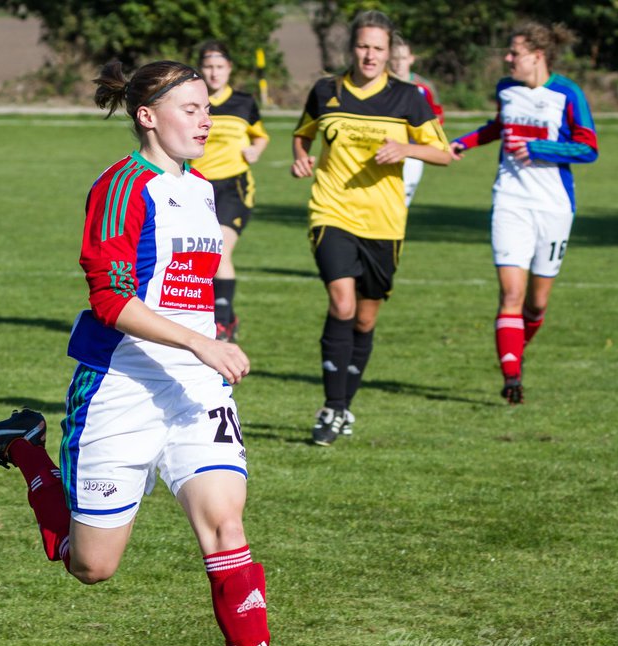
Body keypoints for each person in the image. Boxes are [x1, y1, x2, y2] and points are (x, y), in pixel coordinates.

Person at [0, 60, 327, 646]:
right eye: (189, 108)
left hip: (194, 389)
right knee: (90, 566)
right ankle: (25, 449)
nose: (204, 119)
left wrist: (205, 348)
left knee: (226, 527)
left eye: (206, 107)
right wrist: (199, 341)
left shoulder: (204, 188)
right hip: (120, 390)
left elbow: (187, 287)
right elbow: (110, 300)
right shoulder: (122, 187)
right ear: (148, 116)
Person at [291, 10, 451, 446]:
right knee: (342, 303)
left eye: (378, 48)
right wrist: (301, 155)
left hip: (383, 222)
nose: (370, 55)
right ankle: (330, 407)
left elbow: (444, 153)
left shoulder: (408, 98)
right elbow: (303, 133)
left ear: (389, 52)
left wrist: (406, 147)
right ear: (352, 48)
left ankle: (343, 408)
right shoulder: (326, 90)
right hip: (332, 211)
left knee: (364, 318)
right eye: (363, 46)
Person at [450, 22, 598, 404]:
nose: (507, 58)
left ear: (537, 56)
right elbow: (499, 126)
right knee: (511, 293)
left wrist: (540, 150)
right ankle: (511, 375)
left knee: (537, 304)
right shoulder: (506, 88)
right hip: (510, 200)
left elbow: (588, 148)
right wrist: (463, 142)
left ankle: (517, 345)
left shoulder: (568, 93)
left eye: (514, 53)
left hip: (553, 207)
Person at [189, 41, 270, 343]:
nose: (214, 73)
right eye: (208, 66)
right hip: (196, 187)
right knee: (201, 255)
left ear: (229, 69)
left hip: (234, 186)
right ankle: (203, 316)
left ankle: (222, 321)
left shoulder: (244, 102)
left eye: (220, 67)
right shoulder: (190, 102)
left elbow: (260, 136)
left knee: (221, 249)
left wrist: (255, 150)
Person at [388, 36, 445, 207]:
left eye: (403, 58)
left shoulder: (423, 87)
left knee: (402, 200)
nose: (399, 63)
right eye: (395, 58)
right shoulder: (381, 84)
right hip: (385, 147)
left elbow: (437, 117)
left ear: (411, 59)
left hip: (413, 152)